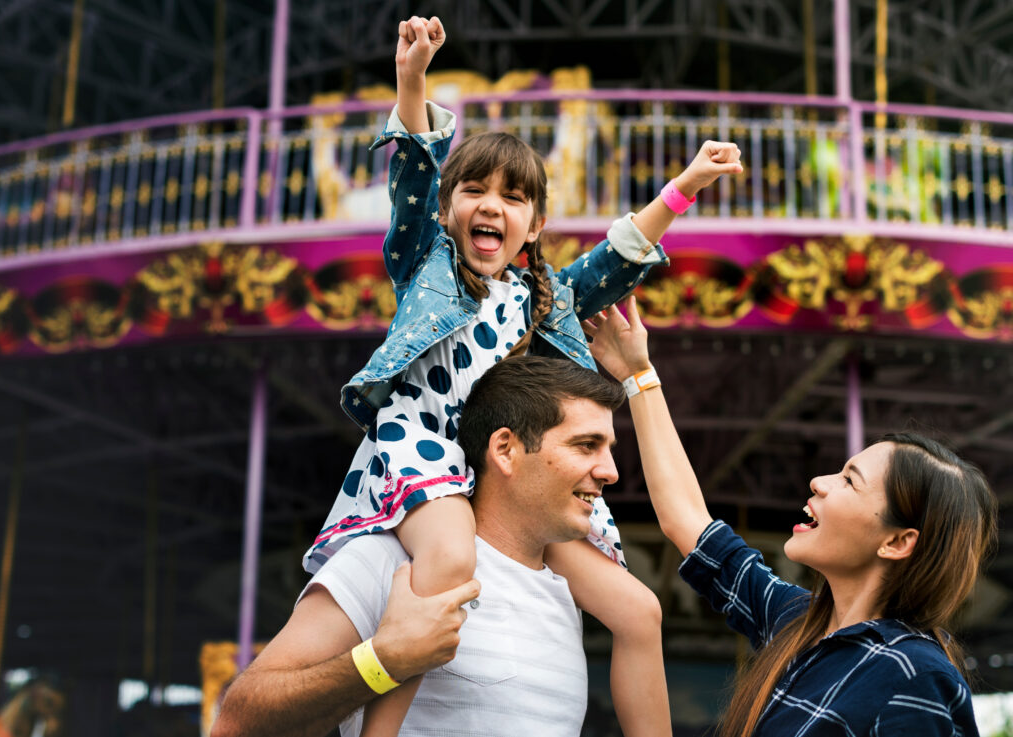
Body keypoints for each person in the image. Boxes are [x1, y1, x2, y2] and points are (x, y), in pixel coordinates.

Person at [301, 14, 743, 737]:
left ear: (533, 224)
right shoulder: (427, 266)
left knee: (640, 609)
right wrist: (412, 78)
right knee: (446, 558)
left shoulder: (541, 296)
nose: (491, 206)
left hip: (507, 468)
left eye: (513, 198)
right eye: (474, 191)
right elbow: (413, 167)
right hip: (429, 450)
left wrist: (686, 185)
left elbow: (619, 254)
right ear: (448, 212)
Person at [583, 296, 997, 737]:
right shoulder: (798, 623)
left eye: (849, 480)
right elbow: (687, 521)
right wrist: (636, 375)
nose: (819, 481)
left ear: (897, 542)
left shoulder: (915, 678)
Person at [212, 355, 629, 737]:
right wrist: (383, 662)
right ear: (505, 449)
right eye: (586, 445)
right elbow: (236, 724)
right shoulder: (393, 560)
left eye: (609, 449)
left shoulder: (564, 593)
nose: (609, 471)